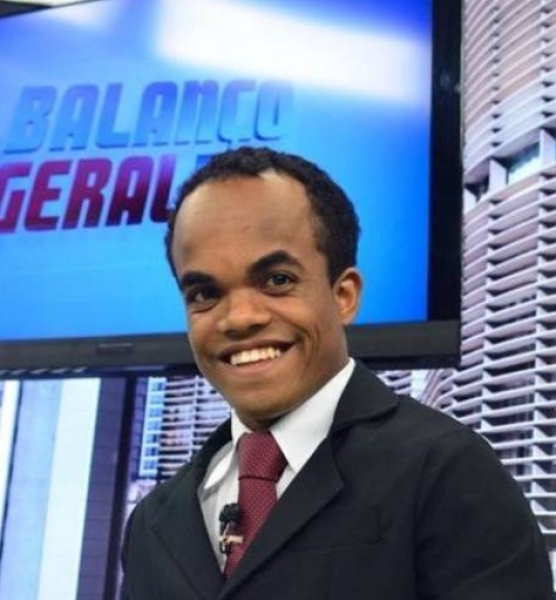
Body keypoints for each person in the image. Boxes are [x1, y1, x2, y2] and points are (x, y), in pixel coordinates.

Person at [120, 146, 554, 599]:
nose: (240, 318)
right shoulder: (153, 522)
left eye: (277, 280)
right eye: (205, 293)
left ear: (344, 295)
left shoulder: (446, 473)